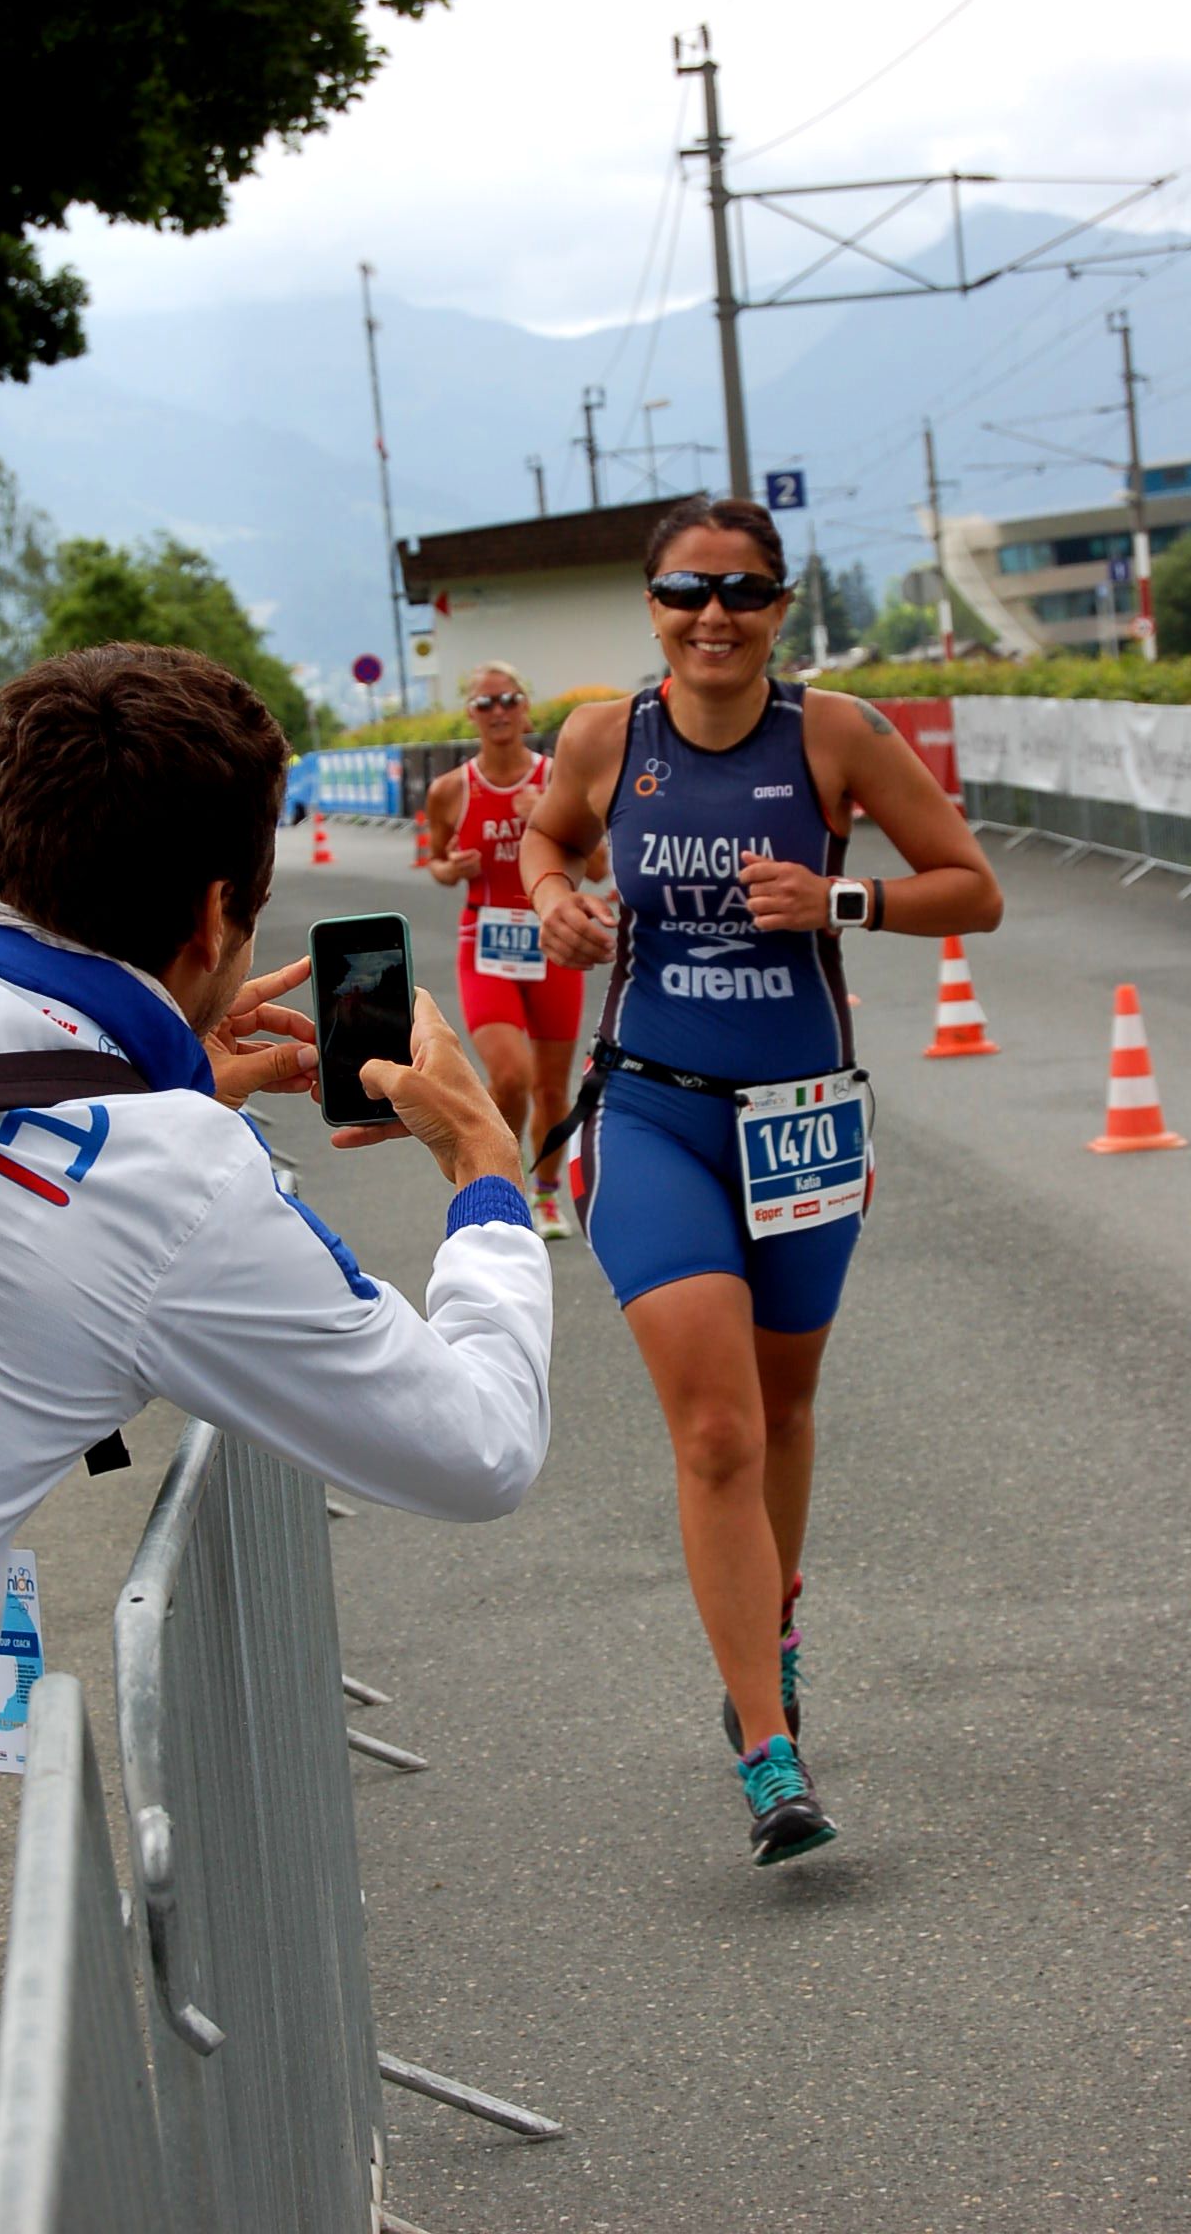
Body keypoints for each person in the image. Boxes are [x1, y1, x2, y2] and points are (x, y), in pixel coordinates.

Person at [0, 643, 552, 2231]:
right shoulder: (167, 1179)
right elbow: (480, 1443)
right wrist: (489, 1182)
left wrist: (144, 1095)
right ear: (220, 920)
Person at [520, 496, 1002, 1867]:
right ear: (653, 607)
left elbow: (972, 889)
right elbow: (548, 841)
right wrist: (557, 899)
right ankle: (765, 1747)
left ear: (782, 607)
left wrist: (845, 903)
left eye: (742, 592)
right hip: (655, 1114)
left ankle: (770, 1625)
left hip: (803, 1128)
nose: (712, 617)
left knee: (785, 1407)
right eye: (685, 593)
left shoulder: (833, 734)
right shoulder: (611, 736)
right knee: (719, 1428)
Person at [426, 661, 607, 1240]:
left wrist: (544, 821)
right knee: (509, 1073)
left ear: (527, 708)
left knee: (552, 1088)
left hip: (552, 942)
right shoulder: (451, 790)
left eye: (509, 699)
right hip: (486, 946)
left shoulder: (560, 779)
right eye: (485, 703)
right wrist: (449, 867)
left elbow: (599, 867)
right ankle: (496, 1187)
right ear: (471, 716)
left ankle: (547, 1195)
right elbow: (436, 862)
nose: (498, 711)